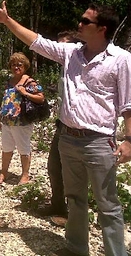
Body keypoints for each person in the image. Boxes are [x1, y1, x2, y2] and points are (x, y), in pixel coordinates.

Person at [0, 1, 131, 256]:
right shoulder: (71, 53)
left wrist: (129, 139)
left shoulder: (121, 60)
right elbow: (36, 41)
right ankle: (76, 249)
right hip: (67, 138)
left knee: (108, 205)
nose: (79, 24)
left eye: (85, 21)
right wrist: (7, 21)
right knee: (75, 200)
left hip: (99, 142)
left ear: (102, 28)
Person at [37, 31, 80, 227]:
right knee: (54, 166)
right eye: (58, 45)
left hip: (80, 130)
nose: (60, 49)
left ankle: (73, 213)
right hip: (62, 125)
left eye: (65, 45)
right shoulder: (63, 70)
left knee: (73, 172)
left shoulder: (80, 70)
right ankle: (57, 204)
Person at [0, 52, 45, 185]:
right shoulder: (9, 82)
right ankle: (3, 172)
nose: (16, 67)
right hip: (7, 121)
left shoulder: (30, 81)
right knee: (6, 148)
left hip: (22, 122)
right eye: (13, 65)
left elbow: (41, 97)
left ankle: (25, 175)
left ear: (25, 66)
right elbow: (5, 101)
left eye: (19, 64)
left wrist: (25, 93)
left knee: (23, 148)